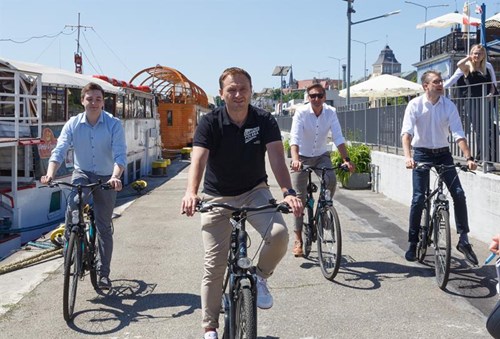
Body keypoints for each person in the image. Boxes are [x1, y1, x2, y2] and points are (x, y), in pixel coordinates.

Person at [180, 67, 303, 339]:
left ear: (251, 91)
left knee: (279, 235)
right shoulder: (210, 122)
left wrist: (288, 190)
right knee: (215, 265)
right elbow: (198, 158)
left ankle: (259, 277)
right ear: (222, 94)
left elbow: (276, 159)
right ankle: (209, 326)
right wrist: (192, 192)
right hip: (217, 196)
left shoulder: (263, 120)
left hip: (254, 190)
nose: (238, 94)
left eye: (243, 89)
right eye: (231, 90)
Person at [40, 82, 126, 290]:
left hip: (107, 176)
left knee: (104, 226)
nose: (94, 103)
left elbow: (120, 155)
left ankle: (104, 274)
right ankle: (70, 248)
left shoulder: (113, 124)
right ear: (82, 100)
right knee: (74, 207)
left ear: (102, 102)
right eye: (90, 98)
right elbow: (59, 150)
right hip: (82, 173)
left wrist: (115, 177)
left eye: (98, 99)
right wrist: (50, 173)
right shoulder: (73, 123)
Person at [401, 70, 478, 265]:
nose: (440, 84)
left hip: (443, 153)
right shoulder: (415, 105)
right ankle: (412, 242)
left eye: (441, 81)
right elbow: (407, 133)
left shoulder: (448, 105)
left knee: (458, 193)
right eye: (436, 82)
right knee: (419, 198)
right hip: (421, 153)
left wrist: (469, 157)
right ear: (425, 86)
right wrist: (408, 156)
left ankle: (464, 239)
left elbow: (458, 133)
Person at [289, 83, 354, 257]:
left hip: (321, 156)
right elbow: (294, 138)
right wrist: (295, 160)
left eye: (319, 95)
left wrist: (346, 159)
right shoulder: (301, 113)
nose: (316, 99)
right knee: (298, 200)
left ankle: (324, 209)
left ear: (324, 97)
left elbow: (338, 137)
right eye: (312, 96)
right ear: (308, 98)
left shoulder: (330, 112)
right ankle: (298, 239)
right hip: (301, 157)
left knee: (331, 179)